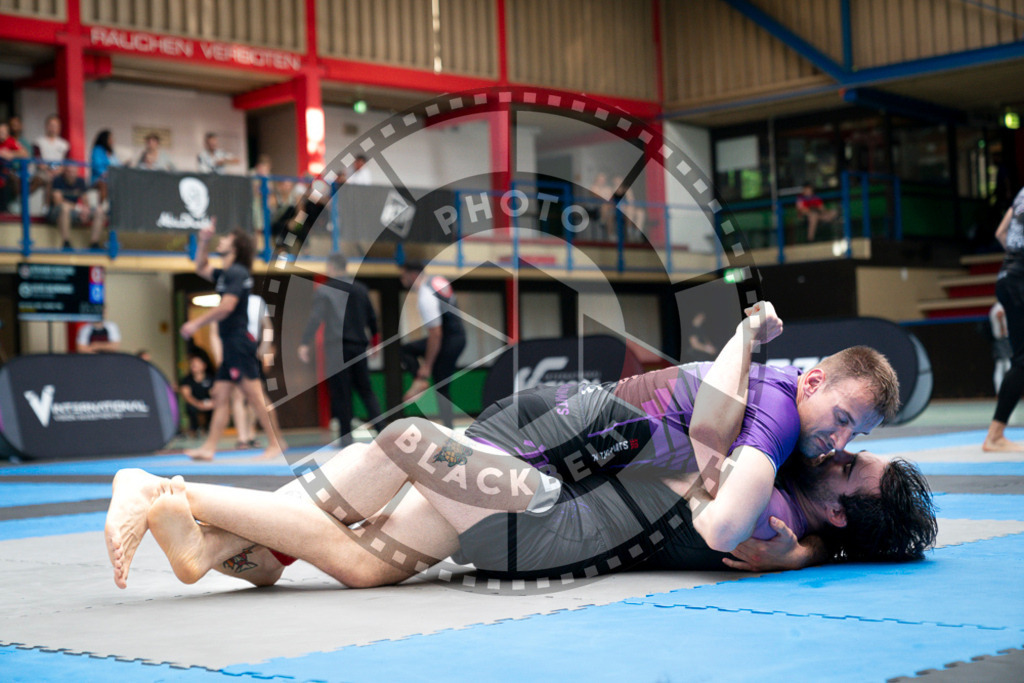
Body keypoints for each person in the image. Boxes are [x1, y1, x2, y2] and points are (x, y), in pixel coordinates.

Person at [105, 303, 935, 590]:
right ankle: (198, 526)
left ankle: (187, 513)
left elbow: (723, 490)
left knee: (387, 499)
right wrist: (748, 339)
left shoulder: (779, 502)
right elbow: (719, 433)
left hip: (552, 503)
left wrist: (748, 339)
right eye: (847, 436)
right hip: (553, 483)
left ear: (842, 512)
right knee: (374, 529)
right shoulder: (788, 474)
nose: (839, 448)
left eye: (853, 457)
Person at [179, 225, 287, 461]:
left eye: (226, 237)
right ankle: (209, 448)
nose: (221, 240)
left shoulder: (238, 273)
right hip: (230, 344)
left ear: (236, 247)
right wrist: (204, 241)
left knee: (255, 395)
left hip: (239, 343)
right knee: (220, 395)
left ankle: (276, 443)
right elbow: (200, 267)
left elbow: (227, 306)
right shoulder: (225, 274)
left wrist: (196, 324)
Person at [298, 253, 385, 445]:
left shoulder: (324, 290)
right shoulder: (361, 289)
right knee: (366, 390)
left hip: (336, 347)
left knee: (341, 392)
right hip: (358, 346)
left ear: (331, 267)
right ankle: (382, 432)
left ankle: (346, 439)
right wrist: (375, 343)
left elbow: (316, 318)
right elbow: (372, 319)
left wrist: (304, 342)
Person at [399, 260, 467, 429]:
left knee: (441, 387)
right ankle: (420, 381)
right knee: (407, 350)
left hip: (448, 341)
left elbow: (436, 335)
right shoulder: (437, 279)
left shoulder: (425, 295)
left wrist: (427, 366)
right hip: (457, 336)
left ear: (413, 275)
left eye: (403, 276)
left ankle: (449, 431)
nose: (402, 280)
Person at [984, 186, 1024, 452]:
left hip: (1008, 275)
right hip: (1019, 281)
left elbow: (1001, 232)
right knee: (1022, 360)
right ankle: (995, 436)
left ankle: (995, 435)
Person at [48, 163, 105, 250]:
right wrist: (78, 208)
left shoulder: (80, 181)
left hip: (74, 212)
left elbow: (85, 201)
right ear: (65, 172)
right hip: (56, 212)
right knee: (65, 208)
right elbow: (58, 201)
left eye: (73, 172)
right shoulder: (58, 180)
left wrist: (85, 210)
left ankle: (94, 243)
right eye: (69, 172)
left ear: (77, 172)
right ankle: (66, 242)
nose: (71, 174)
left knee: (99, 210)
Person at [180, 353, 215, 439]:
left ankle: (209, 428)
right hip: (194, 402)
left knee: (215, 407)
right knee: (190, 407)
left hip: (207, 402)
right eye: (192, 363)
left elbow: (214, 394)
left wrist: (211, 403)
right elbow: (187, 396)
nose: (194, 365)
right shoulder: (186, 380)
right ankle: (194, 429)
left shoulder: (210, 379)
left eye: (197, 363)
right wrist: (198, 404)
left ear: (204, 365)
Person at [0, 121, 28, 210]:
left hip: (7, 174)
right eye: (0, 131)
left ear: (7, 133)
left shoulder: (10, 141)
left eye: (4, 132)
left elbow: (24, 153)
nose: (2, 134)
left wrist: (11, 154)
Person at [90, 129, 120, 203]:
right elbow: (97, 166)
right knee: (104, 185)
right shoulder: (97, 150)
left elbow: (117, 165)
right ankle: (102, 206)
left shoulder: (111, 152)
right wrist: (107, 173)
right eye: (110, 138)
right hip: (99, 179)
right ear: (105, 139)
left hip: (112, 178)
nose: (112, 140)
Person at [990, 301, 1012, 394]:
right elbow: (1000, 314)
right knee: (1006, 364)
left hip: (999, 339)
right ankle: (1007, 389)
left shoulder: (994, 308)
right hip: (1002, 339)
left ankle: (1001, 390)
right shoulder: (999, 307)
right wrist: (1003, 329)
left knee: (1001, 365)